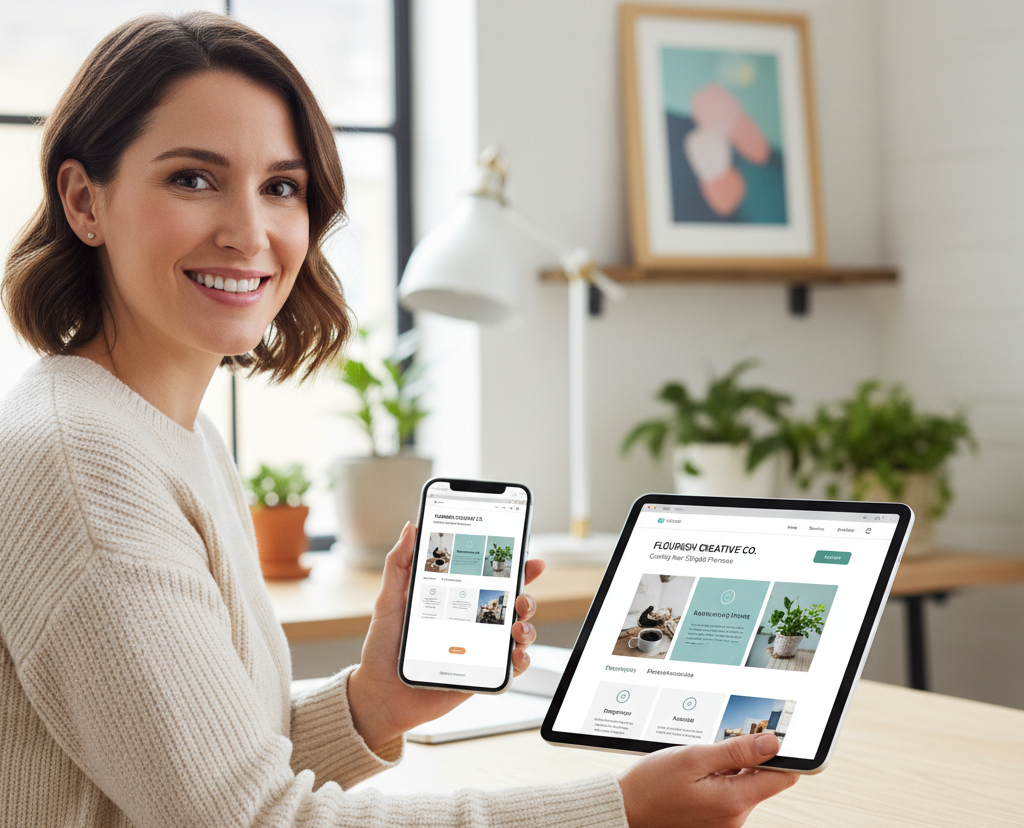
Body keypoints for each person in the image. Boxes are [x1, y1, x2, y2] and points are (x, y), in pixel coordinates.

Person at [0, 12, 796, 827]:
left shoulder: (170, 434)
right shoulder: (83, 459)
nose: (250, 232)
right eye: (193, 179)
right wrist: (619, 813)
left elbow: (199, 781)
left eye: (282, 187)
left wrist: (372, 703)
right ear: (83, 200)